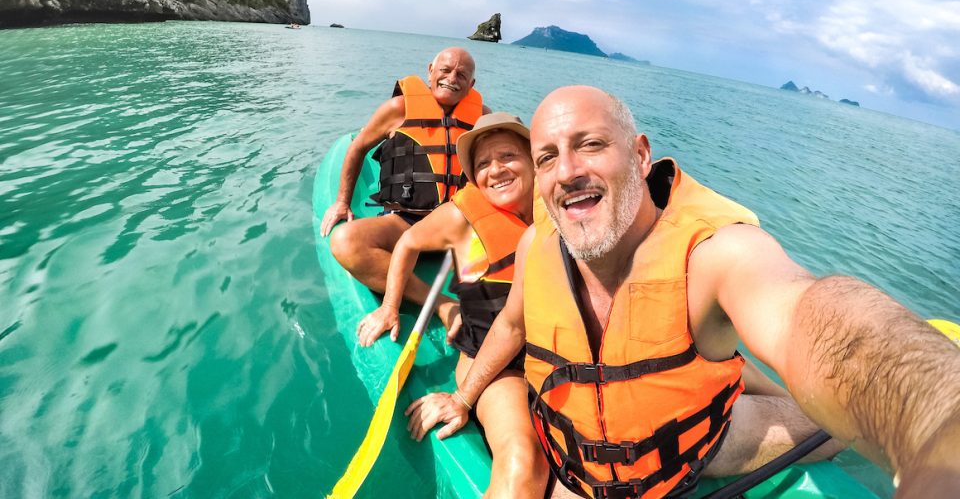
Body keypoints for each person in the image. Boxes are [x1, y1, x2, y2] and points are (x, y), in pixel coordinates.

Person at [404, 86, 960, 499]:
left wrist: (939, 419)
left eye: (590, 145)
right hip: (574, 469)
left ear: (641, 156)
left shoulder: (714, 253)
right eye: (548, 156)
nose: (567, 171)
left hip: (700, 445)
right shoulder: (537, 248)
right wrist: (464, 395)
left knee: (840, 420)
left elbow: (816, 318)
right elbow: (511, 326)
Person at [356, 113, 550, 498]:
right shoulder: (464, 215)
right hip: (494, 367)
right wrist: (390, 307)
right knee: (523, 459)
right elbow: (408, 243)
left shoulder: (565, 212)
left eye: (508, 156)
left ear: (534, 161)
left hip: (556, 360)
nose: (495, 171)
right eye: (482, 164)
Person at [320, 47, 489, 334]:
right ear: (430, 71)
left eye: (462, 74)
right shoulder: (398, 109)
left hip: (457, 226)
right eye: (445, 70)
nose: (452, 78)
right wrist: (341, 201)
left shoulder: (483, 118)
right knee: (346, 241)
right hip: (405, 222)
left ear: (471, 84)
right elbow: (358, 147)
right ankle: (440, 305)